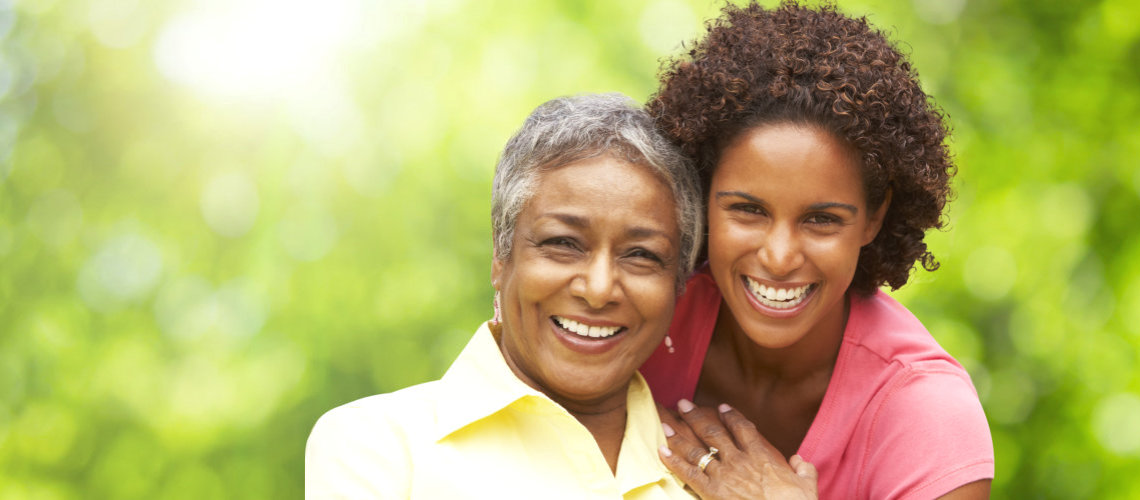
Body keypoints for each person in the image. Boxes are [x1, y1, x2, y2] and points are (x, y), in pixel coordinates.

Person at [639, 2, 995, 499]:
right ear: (702, 195)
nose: (780, 257)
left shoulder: (926, 414)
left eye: (821, 220)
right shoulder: (645, 317)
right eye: (748, 210)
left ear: (873, 217)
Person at [304, 93, 706, 499]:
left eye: (641, 255)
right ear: (501, 257)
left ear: (678, 283)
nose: (599, 289)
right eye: (563, 242)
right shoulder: (380, 446)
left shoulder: (720, 474)